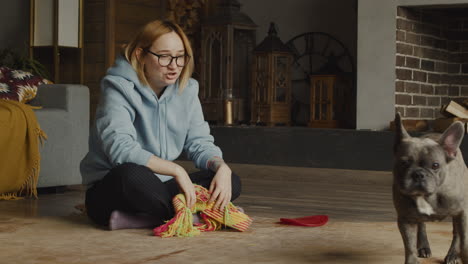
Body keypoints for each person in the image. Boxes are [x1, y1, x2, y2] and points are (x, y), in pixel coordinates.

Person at [80, 20, 241, 230]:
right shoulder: (117, 88)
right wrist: (176, 170)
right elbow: (120, 150)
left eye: (180, 56)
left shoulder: (187, 89)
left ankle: (143, 219)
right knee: (131, 174)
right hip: (113, 190)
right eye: (164, 56)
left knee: (230, 181)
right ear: (140, 55)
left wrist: (221, 167)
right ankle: (197, 216)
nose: (174, 65)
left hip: (159, 188)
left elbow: (199, 142)